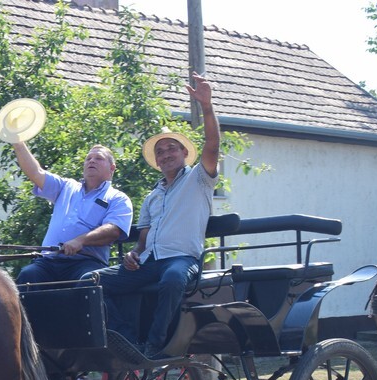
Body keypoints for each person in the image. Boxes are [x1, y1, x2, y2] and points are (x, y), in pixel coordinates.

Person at [89, 72, 221, 358]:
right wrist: (133, 254)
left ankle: (155, 345)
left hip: (182, 258)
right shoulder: (152, 196)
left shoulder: (199, 179)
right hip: (149, 262)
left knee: (172, 279)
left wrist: (206, 106)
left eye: (171, 148)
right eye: (160, 152)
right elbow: (143, 241)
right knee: (90, 281)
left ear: (184, 153)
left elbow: (212, 145)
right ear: (157, 161)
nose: (165, 154)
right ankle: (125, 340)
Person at [12, 142, 133, 286]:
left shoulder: (118, 198)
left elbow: (113, 230)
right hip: (49, 260)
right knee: (27, 275)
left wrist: (80, 241)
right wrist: (18, 142)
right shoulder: (66, 186)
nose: (92, 161)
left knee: (88, 280)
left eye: (99, 158)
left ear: (112, 168)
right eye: (88, 158)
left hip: (86, 262)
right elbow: (36, 173)